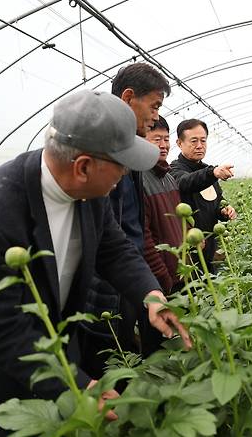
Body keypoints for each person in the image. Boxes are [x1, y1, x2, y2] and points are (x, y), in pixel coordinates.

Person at [0, 90, 191, 436]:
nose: (125, 173)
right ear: (83, 166)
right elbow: (3, 330)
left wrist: (151, 295)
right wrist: (78, 386)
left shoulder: (92, 193)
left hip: (62, 357)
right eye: (121, 164)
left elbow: (114, 248)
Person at [80, 63, 171, 376]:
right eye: (155, 105)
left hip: (128, 282)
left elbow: (125, 233)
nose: (157, 116)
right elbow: (107, 239)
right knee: (108, 365)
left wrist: (148, 289)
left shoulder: (129, 154)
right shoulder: (102, 154)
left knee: (126, 359)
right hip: (106, 290)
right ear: (129, 98)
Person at [169, 119, 237, 271]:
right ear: (180, 143)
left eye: (203, 141)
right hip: (189, 248)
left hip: (211, 246)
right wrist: (213, 172)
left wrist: (224, 209)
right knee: (194, 289)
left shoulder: (208, 171)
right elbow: (186, 182)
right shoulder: (175, 169)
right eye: (194, 141)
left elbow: (216, 200)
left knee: (211, 286)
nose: (199, 146)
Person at [142, 115, 183, 294]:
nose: (163, 145)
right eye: (156, 139)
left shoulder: (169, 178)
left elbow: (178, 218)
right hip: (161, 281)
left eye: (166, 139)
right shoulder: (139, 180)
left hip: (181, 273)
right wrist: (162, 277)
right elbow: (145, 236)